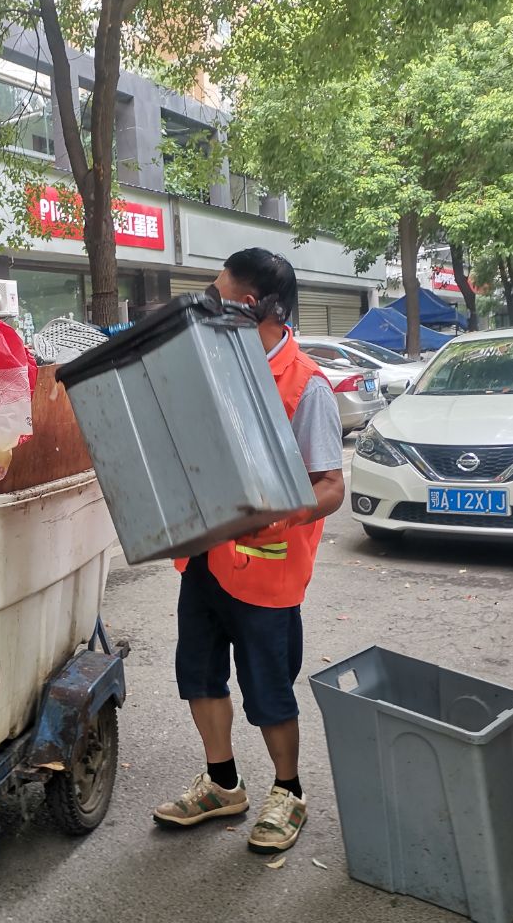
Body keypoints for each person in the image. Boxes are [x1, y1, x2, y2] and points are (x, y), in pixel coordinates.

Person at [152, 248, 346, 856]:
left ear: (253, 306)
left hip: (267, 570)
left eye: (219, 294)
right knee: (199, 675)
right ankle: (222, 783)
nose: (209, 304)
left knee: (268, 689)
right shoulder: (212, 365)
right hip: (205, 558)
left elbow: (331, 486)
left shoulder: (305, 384)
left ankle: (287, 792)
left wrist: (272, 518)